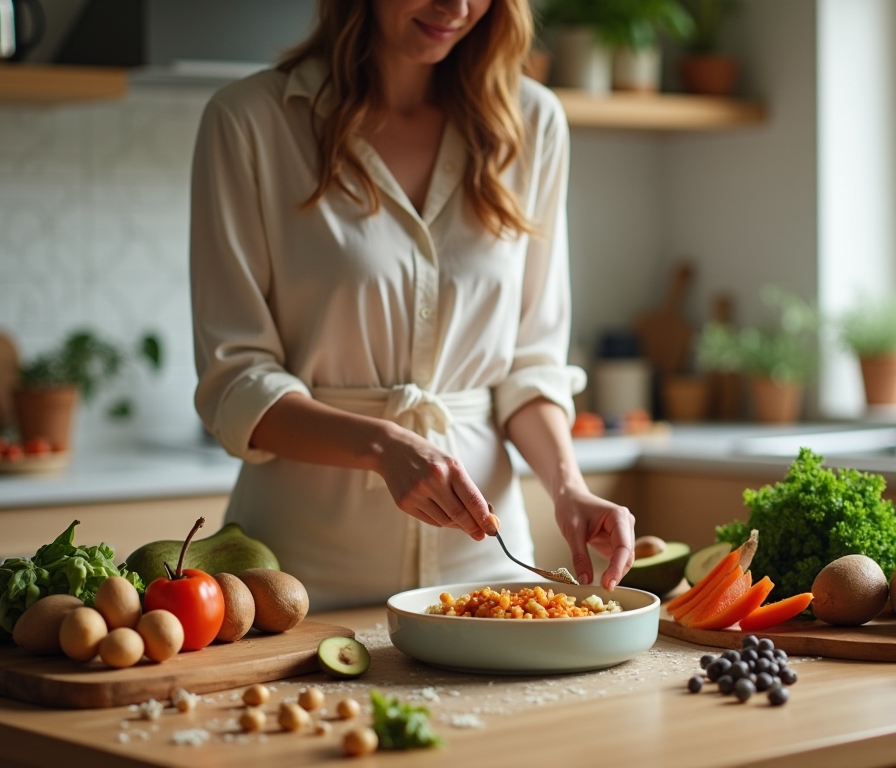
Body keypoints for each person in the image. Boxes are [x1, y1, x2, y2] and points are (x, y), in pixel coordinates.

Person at [189, 0, 635, 611]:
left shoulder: (532, 122)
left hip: (485, 571)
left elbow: (531, 364)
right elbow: (235, 381)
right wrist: (382, 446)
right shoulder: (249, 123)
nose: (456, 7)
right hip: (298, 581)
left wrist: (568, 488)